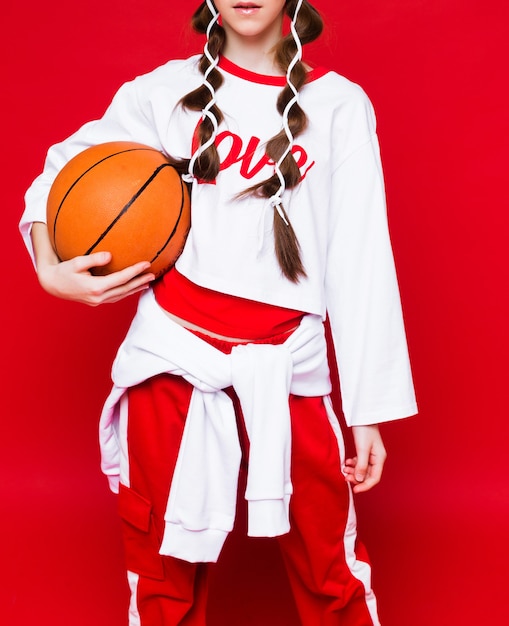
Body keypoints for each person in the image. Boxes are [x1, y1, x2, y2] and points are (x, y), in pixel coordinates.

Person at [20, 1, 417, 624]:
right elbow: (59, 176)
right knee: (161, 575)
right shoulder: (162, 94)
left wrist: (369, 411)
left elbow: (362, 258)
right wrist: (49, 268)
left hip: (286, 370)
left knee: (330, 573)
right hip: (174, 363)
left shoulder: (340, 106)